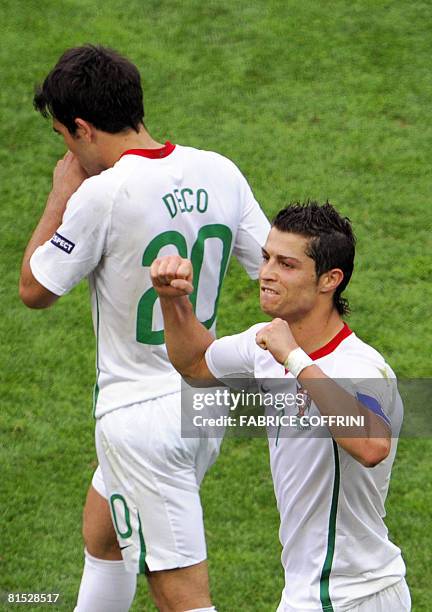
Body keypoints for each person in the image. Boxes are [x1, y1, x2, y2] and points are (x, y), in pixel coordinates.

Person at [19, 44, 270, 612]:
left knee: (180, 595)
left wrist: (61, 195)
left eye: (62, 136)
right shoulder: (219, 170)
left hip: (141, 421)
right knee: (102, 530)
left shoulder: (100, 194)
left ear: (82, 128)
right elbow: (271, 269)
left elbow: (35, 290)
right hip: (203, 404)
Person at [150, 202, 411, 612]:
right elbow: (196, 364)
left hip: (351, 595)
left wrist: (295, 359)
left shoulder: (359, 367)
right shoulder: (267, 341)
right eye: (266, 257)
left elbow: (372, 444)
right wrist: (171, 301)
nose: (267, 273)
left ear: (330, 280)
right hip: (313, 590)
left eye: (287, 264)